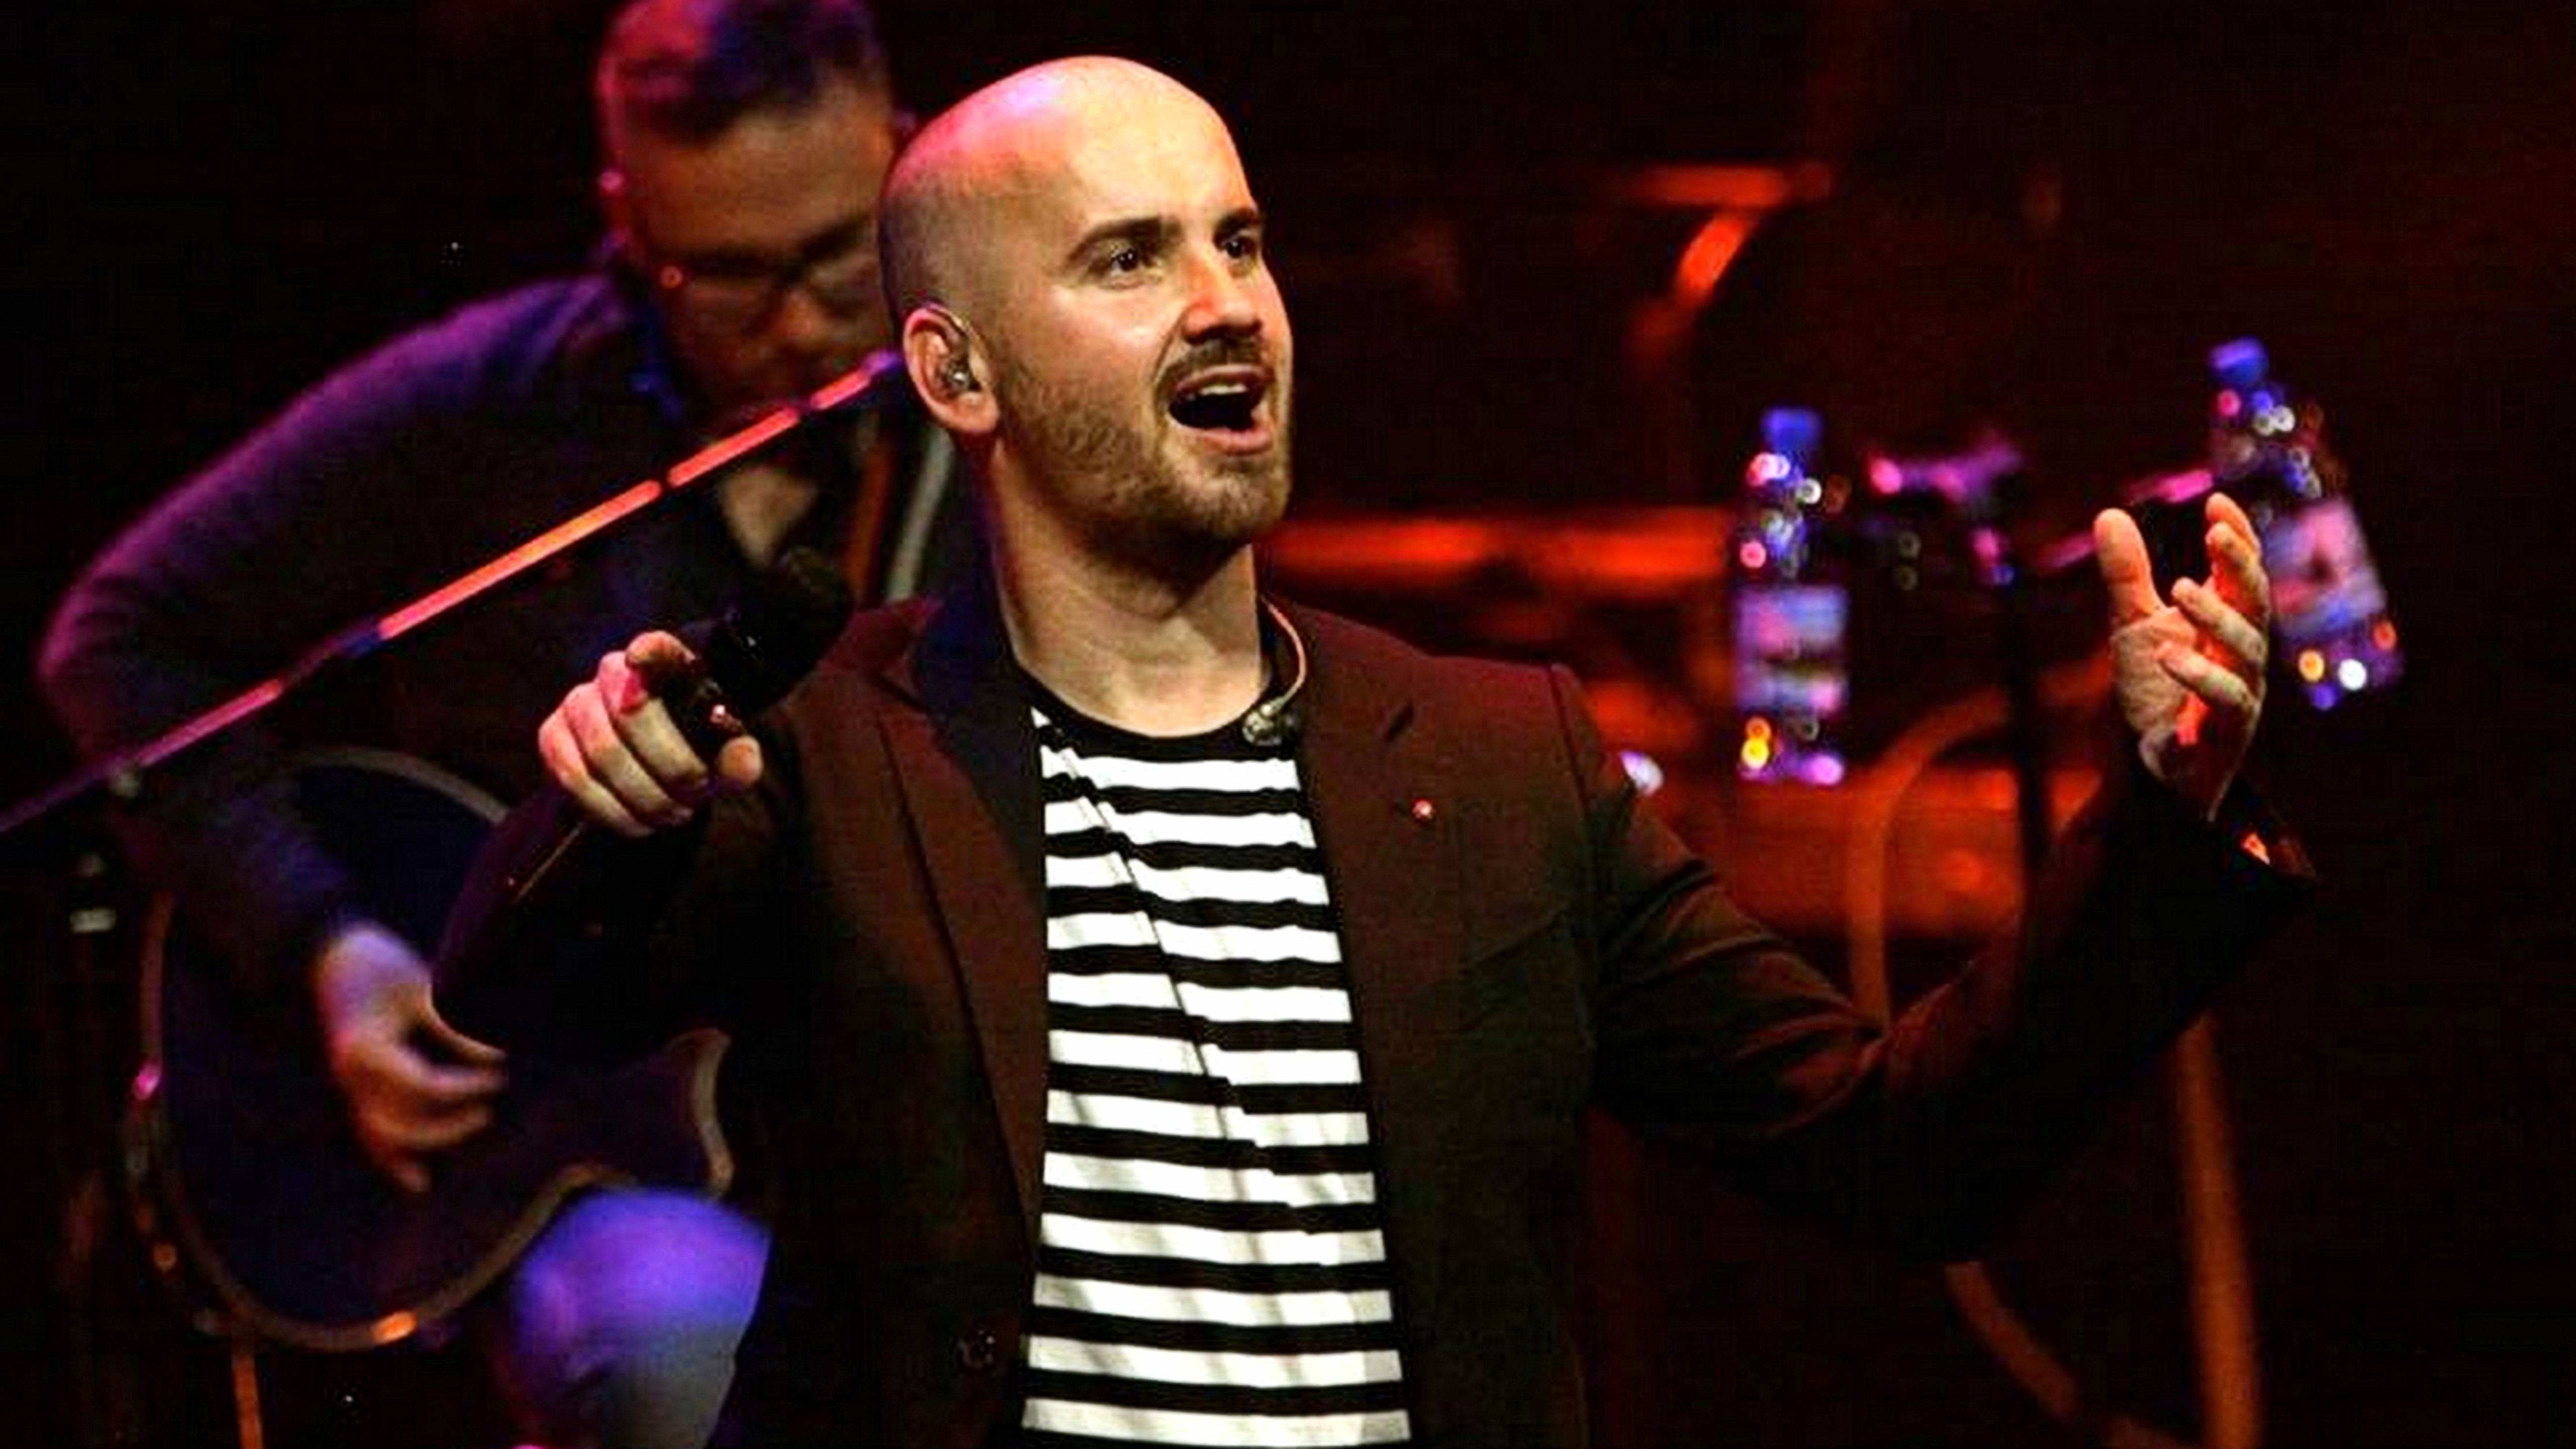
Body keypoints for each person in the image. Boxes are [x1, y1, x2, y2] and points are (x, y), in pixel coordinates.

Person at [438, 56, 2311, 1449]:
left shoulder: (1501, 766)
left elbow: (1901, 1156)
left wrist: (2159, 822)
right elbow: (524, 996)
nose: (1223, 300)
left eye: (1238, 241)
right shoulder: (841, 746)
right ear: (956, 372)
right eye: (1128, 259)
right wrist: (600, 811)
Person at [39, 1, 973, 1444]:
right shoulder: (487, 411)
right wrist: (325, 945)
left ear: (903, 167)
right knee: (686, 1364)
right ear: (627, 217)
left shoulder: (989, 430)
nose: (797, 325)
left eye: (838, 257)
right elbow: (121, 639)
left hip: (920, 1166)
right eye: (725, 277)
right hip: (610, 1180)